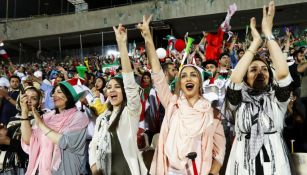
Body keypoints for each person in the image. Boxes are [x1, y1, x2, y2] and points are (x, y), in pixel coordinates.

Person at [138, 15, 226, 175]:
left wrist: (213, 173)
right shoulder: (173, 104)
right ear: (180, 84)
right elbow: (158, 75)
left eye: (193, 75)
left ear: (199, 82)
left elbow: (219, 151)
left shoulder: (212, 113)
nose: (188, 78)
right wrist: (149, 39)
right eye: (183, 76)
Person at [225, 1, 293, 174]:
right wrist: (255, 43)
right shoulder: (238, 102)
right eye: (253, 70)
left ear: (270, 76)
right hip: (243, 163)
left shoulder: (276, 100)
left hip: (275, 163)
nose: (260, 73)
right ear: (245, 77)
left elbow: (283, 75)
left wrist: (268, 34)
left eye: (265, 69)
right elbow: (234, 82)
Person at [89, 24, 147, 175]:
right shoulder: (102, 118)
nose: (112, 90)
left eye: (116, 87)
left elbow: (129, 82)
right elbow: (94, 144)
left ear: (124, 92)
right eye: (109, 87)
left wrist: (121, 44)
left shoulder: (130, 112)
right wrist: (94, 165)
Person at [20, 80, 89, 174]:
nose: (53, 95)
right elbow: (29, 140)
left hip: (64, 170)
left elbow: (65, 142)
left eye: (59, 92)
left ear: (69, 96)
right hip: (41, 170)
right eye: (53, 92)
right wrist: (24, 112)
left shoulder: (79, 117)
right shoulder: (47, 116)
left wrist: (41, 124)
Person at [0, 86, 43, 175]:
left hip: (27, 167)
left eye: (34, 98)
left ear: (39, 103)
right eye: (25, 97)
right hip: (8, 166)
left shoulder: (40, 120)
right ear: (20, 99)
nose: (29, 101)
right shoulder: (13, 119)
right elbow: (6, 146)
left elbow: (34, 147)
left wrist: (9, 141)